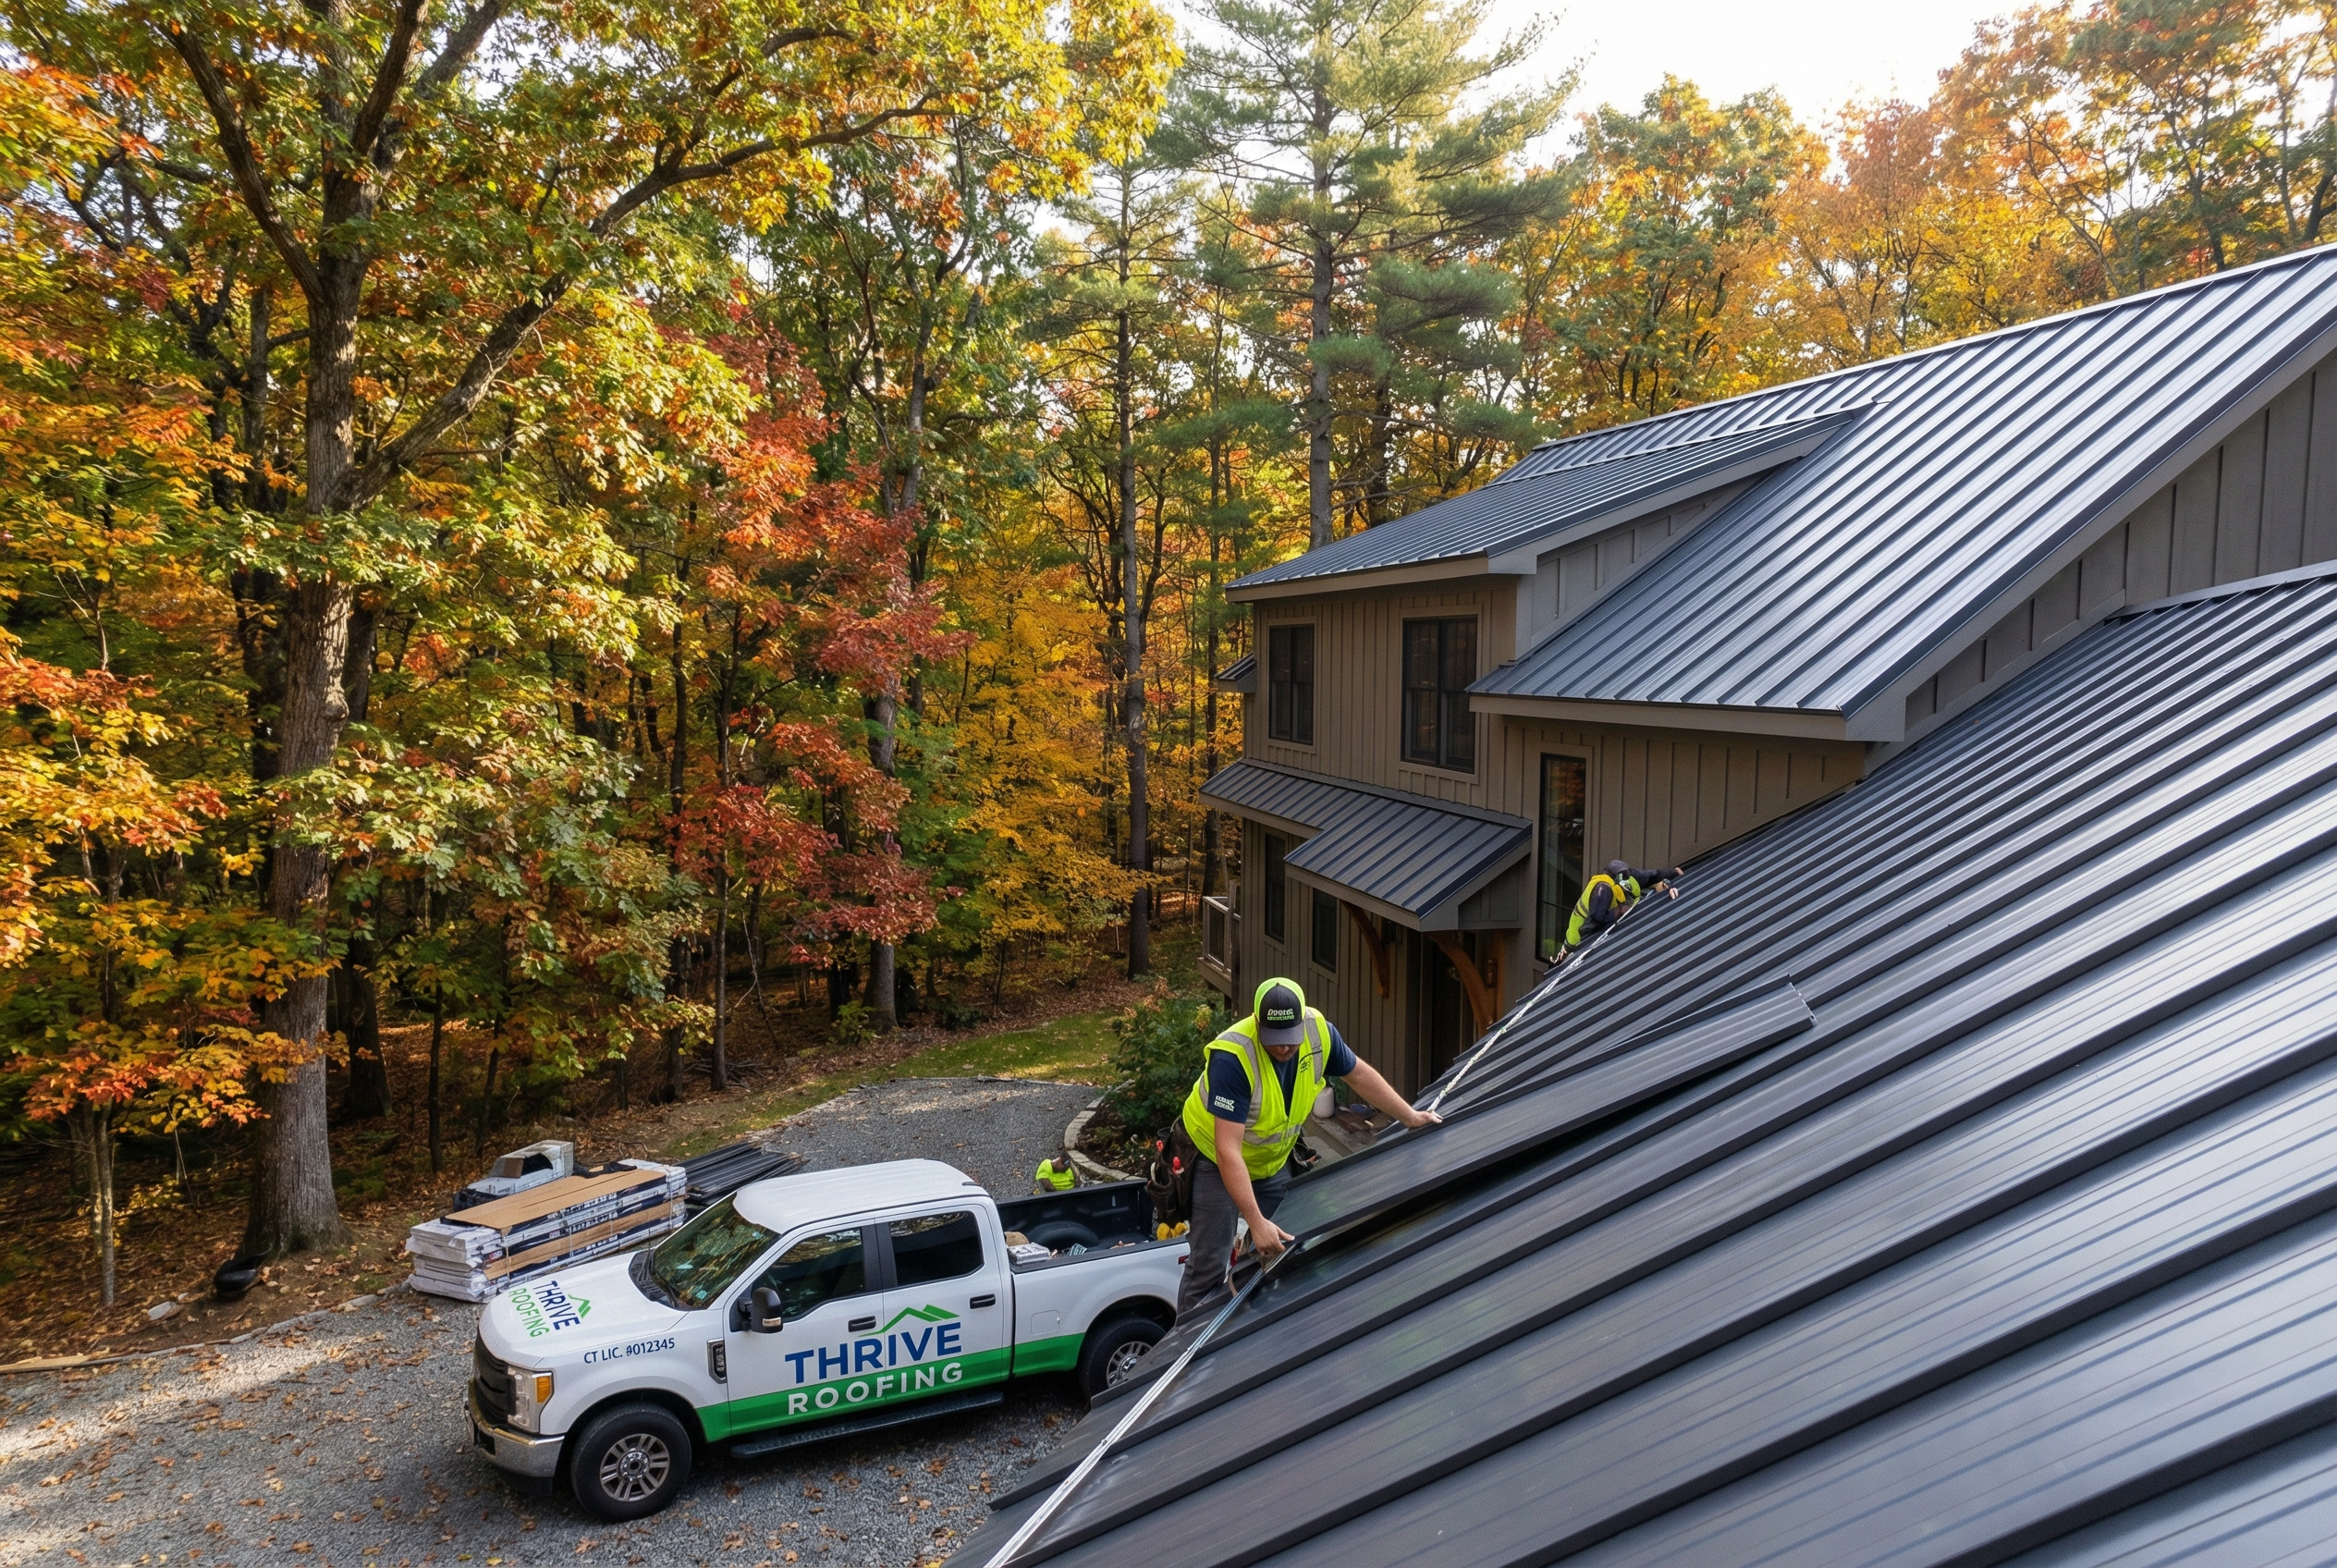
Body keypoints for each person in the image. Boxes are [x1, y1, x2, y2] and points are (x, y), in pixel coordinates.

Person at [1175, 977, 1439, 1318]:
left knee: (1287, 1241)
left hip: (1271, 1159)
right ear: (1258, 1023)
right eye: (1274, 1040)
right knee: (1210, 1260)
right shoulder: (1233, 1057)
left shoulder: (1319, 1033)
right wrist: (1254, 1220)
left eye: (1290, 1039)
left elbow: (1358, 1076)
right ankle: (1183, 1349)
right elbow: (1229, 1152)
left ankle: (1252, 1330)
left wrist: (1409, 1117)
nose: (1284, 1049)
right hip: (1215, 1158)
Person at [1564, 860, 1682, 953]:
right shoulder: (1604, 889)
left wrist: (1673, 873)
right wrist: (1617, 913)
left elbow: (1651, 876)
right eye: (1627, 899)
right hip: (1578, 936)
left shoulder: (1627, 877)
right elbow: (1596, 916)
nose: (1629, 903)